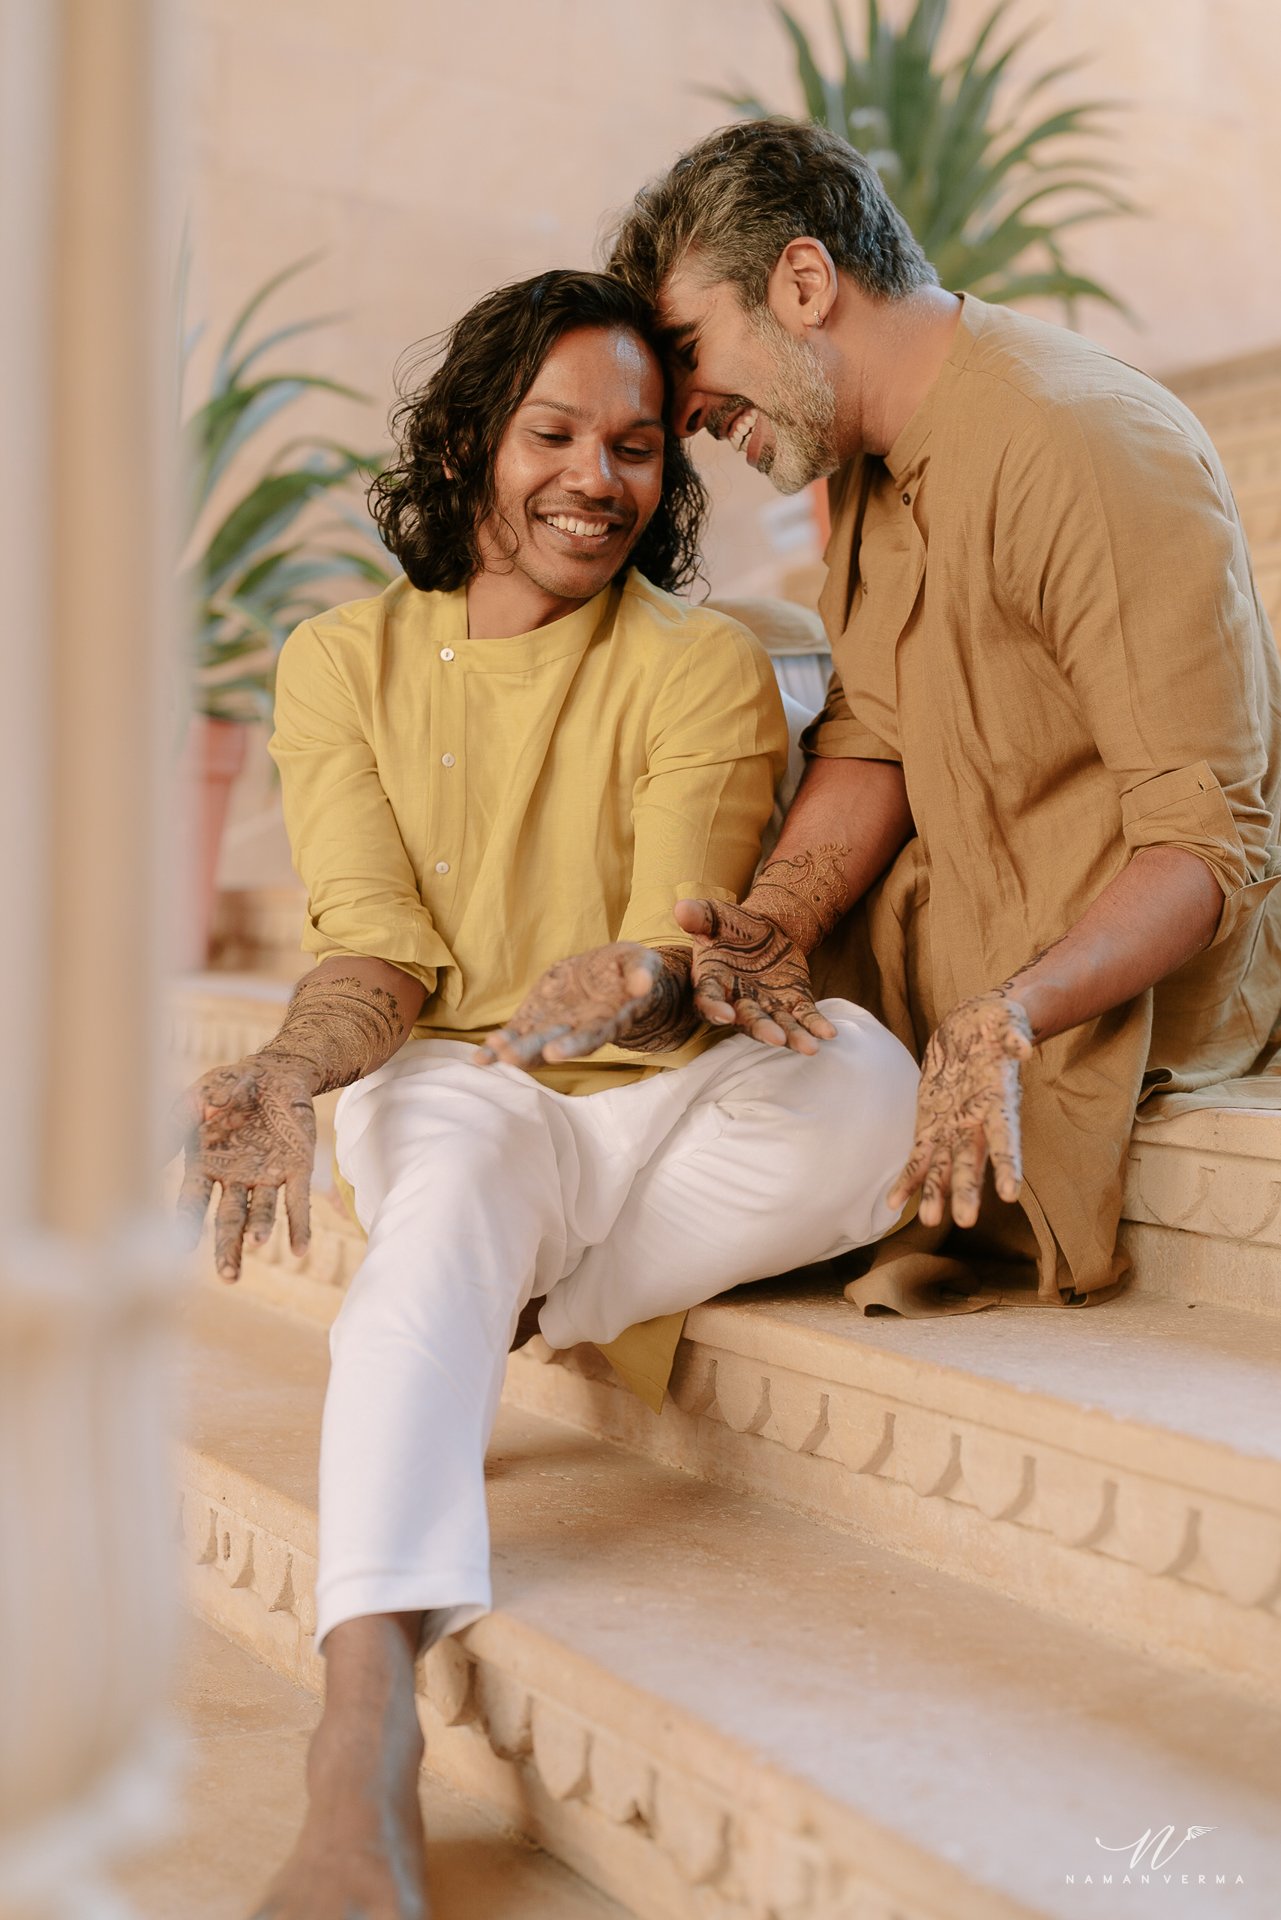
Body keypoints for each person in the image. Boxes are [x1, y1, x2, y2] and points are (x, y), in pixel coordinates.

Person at [170, 268, 919, 1919]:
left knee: (867, 1086)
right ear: (468, 445)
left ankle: (505, 1300)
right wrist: (291, 1065)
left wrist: (644, 980)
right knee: (450, 1183)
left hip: (644, 1084)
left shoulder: (699, 663)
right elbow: (377, 953)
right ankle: (361, 1741)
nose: (598, 477)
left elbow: (673, 949)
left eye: (637, 447)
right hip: (459, 1078)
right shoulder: (340, 662)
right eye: (555, 435)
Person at [608, 120, 1281, 1316]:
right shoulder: (871, 467)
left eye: (688, 349)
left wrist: (1011, 1014)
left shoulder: (1080, 440)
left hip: (1105, 1001)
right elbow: (874, 737)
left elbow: (1209, 840)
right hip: (939, 959)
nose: (685, 408)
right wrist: (776, 923)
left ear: (804, 283)